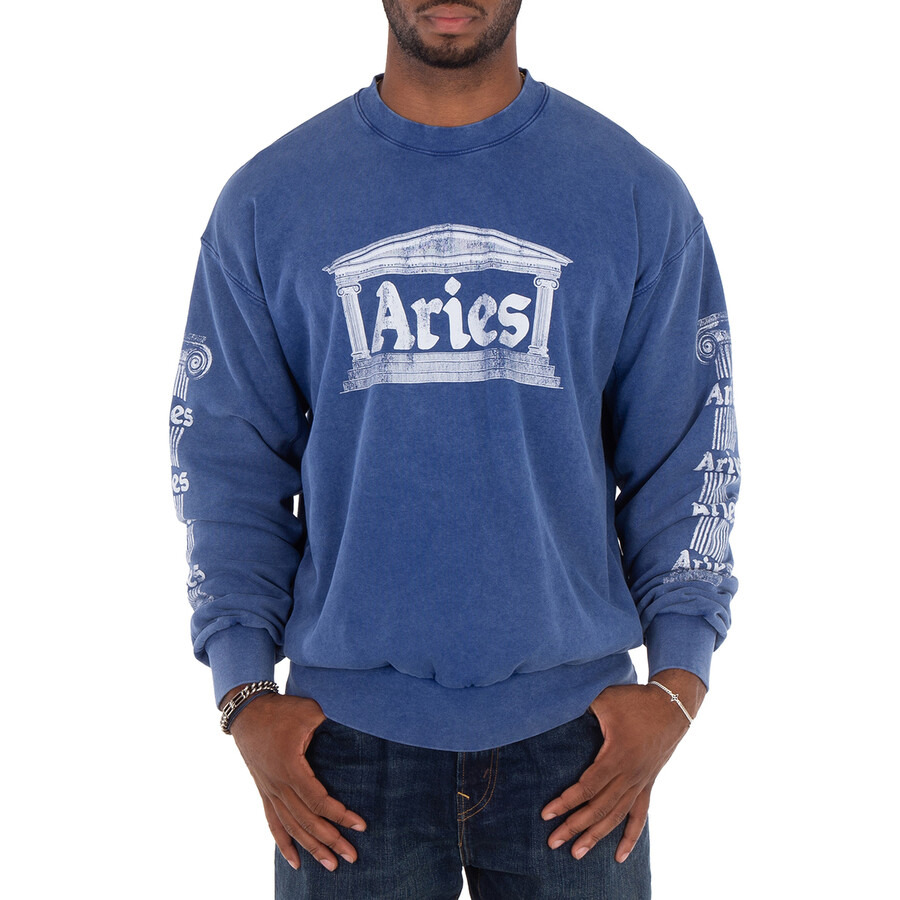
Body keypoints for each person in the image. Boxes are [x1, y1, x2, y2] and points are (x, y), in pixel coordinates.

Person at [170, 1, 739, 897]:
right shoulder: (269, 200)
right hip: (338, 748)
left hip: (581, 744)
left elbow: (687, 448)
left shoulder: (633, 192)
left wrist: (678, 684)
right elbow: (225, 462)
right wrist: (243, 694)